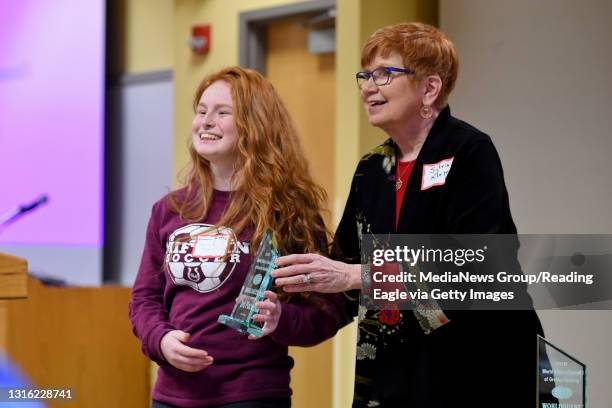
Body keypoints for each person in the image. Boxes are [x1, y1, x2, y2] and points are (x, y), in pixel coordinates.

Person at [272, 22, 544, 407]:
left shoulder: (469, 151)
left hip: (479, 371)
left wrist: (355, 275)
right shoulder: (371, 169)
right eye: (365, 75)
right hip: (395, 374)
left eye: (384, 73)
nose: (368, 86)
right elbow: (342, 281)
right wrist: (281, 314)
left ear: (429, 88)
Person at [129, 66, 348, 408]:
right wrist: (162, 340)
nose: (206, 121)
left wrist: (280, 321)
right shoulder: (168, 210)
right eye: (201, 111)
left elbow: (326, 312)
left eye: (222, 112)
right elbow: (144, 299)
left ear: (254, 126)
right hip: (172, 395)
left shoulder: (287, 212)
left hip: (252, 394)